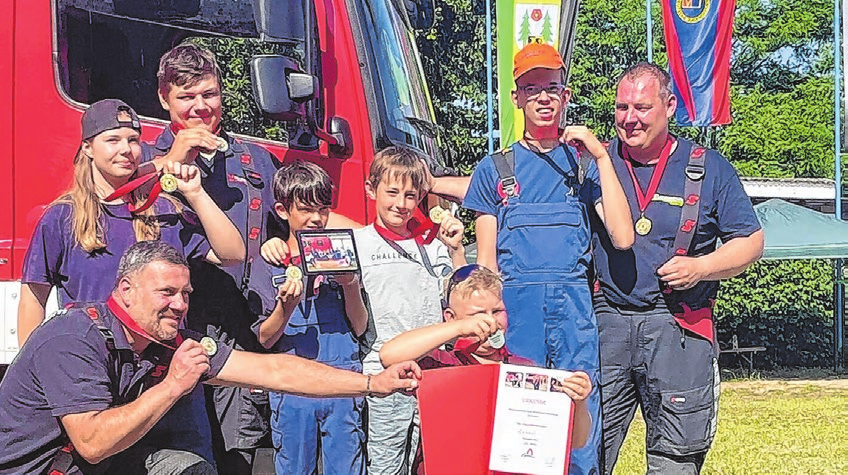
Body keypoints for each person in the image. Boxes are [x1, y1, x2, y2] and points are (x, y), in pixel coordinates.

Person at [0, 240, 421, 475]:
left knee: (188, 470)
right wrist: (171, 386)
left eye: (185, 294)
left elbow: (273, 369)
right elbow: (92, 443)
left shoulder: (174, 340)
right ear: (124, 290)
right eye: (166, 293)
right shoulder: (76, 336)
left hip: (96, 466)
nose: (180, 305)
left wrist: (372, 384)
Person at [461, 42, 634, 475]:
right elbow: (486, 266)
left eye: (552, 88)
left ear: (565, 95)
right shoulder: (494, 170)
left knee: (579, 410)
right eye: (532, 88)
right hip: (517, 316)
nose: (543, 97)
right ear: (516, 97)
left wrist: (599, 154)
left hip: (574, 311)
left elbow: (623, 235)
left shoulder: (584, 165)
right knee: (522, 420)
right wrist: (484, 326)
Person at [593, 63, 764, 475]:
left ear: (669, 106)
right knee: (585, 451)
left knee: (676, 458)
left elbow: (751, 242)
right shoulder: (593, 162)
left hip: (678, 328)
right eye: (621, 107)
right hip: (605, 326)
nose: (629, 118)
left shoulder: (708, 167)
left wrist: (701, 267)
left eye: (641, 107)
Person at [139, 43, 285, 472]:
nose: (201, 107)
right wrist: (172, 161)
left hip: (239, 330)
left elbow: (292, 224)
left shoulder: (254, 158)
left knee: (237, 456)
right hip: (165, 337)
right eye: (186, 97)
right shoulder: (142, 161)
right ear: (164, 99)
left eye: (210, 94)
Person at [17, 98, 244, 346]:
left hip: (158, 362)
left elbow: (232, 254)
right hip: (89, 358)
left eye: (133, 140)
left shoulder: (163, 210)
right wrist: (31, 367)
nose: (126, 149)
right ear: (88, 149)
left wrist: (196, 193)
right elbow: (34, 296)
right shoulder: (62, 216)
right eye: (113, 140)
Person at [380, 264, 594, 474]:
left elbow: (576, 441)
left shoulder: (525, 369)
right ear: (450, 317)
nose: (490, 321)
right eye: (478, 314)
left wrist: (580, 401)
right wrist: (458, 329)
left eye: (497, 311)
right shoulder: (439, 363)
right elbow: (389, 355)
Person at [250, 161, 369, 474]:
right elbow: (264, 338)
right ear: (283, 210)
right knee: (294, 467)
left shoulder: (343, 254)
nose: (317, 218)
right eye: (305, 209)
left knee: (347, 467)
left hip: (343, 379)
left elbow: (359, 327)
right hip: (292, 382)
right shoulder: (271, 260)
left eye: (323, 209)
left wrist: (350, 285)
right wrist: (285, 307)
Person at [355, 145, 466, 474]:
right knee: (386, 465)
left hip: (434, 374)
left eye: (411, 196)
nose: (401, 205)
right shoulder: (358, 243)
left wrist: (457, 250)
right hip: (384, 373)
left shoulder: (434, 244)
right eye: (392, 193)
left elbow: (459, 297)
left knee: (433, 462)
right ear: (370, 189)